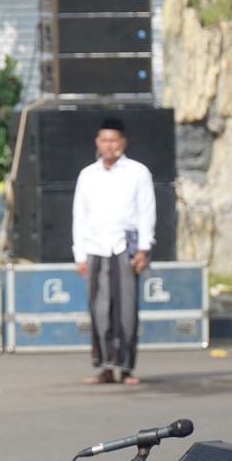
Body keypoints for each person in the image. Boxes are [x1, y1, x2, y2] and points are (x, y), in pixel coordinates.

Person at [72, 117, 156, 386]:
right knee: (99, 308)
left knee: (126, 309)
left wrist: (144, 248)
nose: (109, 146)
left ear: (122, 142)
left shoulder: (137, 172)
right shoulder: (88, 175)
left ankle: (127, 367)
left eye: (113, 140)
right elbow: (79, 217)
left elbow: (146, 212)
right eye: (104, 140)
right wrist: (79, 255)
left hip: (125, 247)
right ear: (97, 142)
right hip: (96, 248)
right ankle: (105, 366)